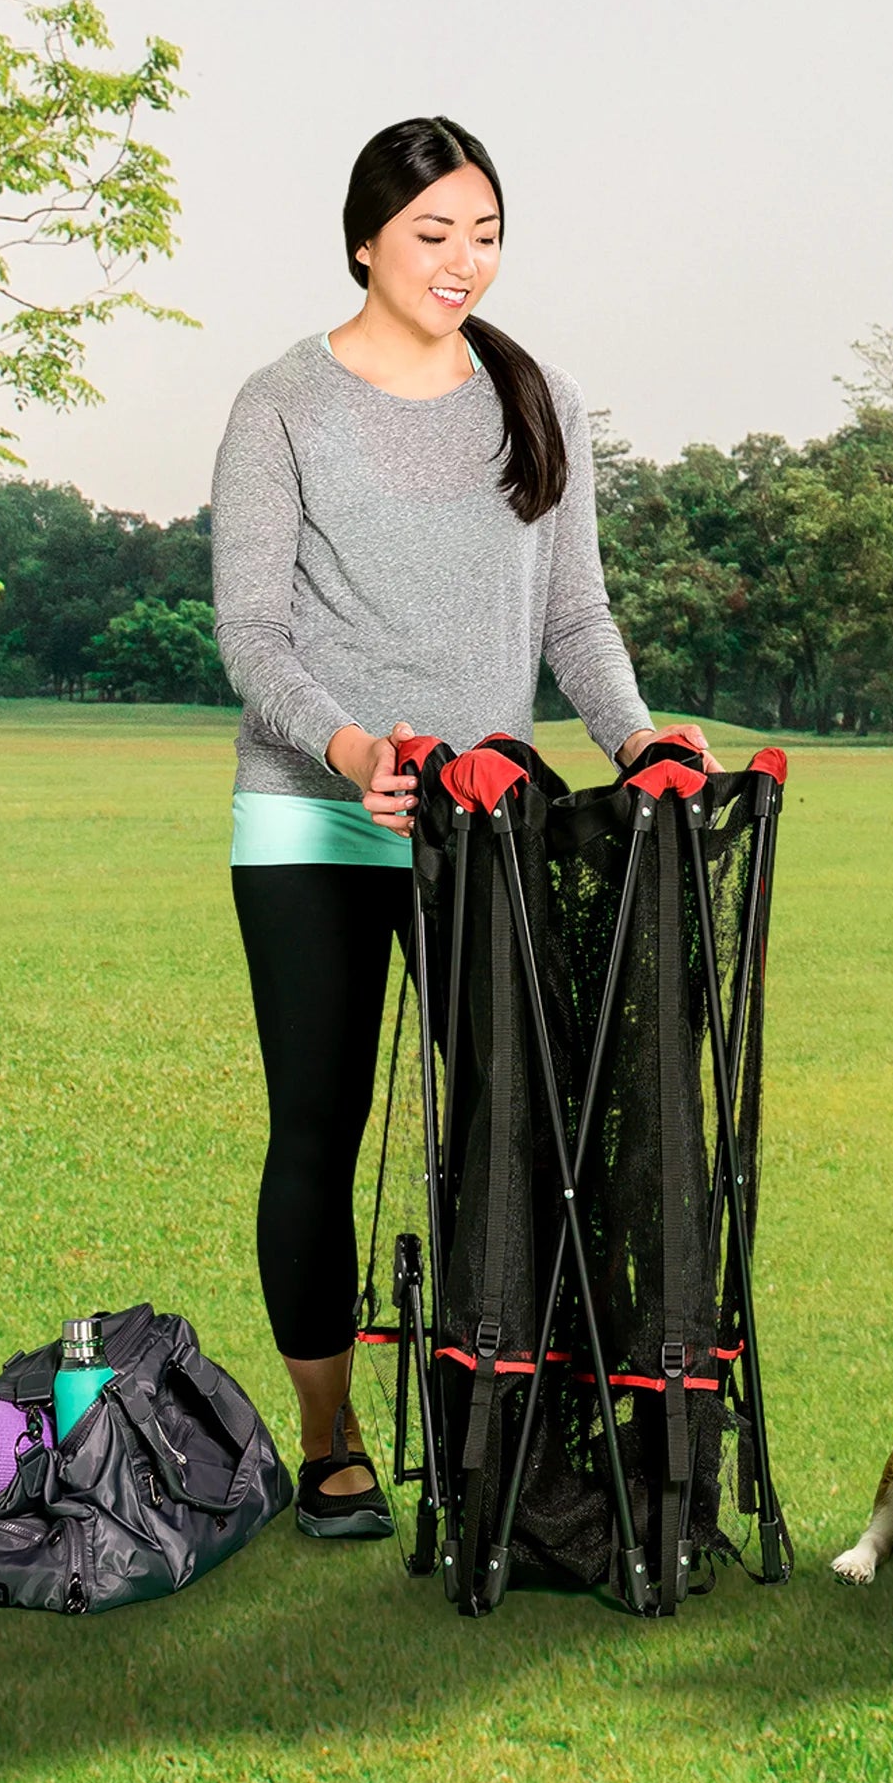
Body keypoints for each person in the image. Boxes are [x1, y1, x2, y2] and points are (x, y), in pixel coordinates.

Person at [210, 114, 711, 1537]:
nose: (462, 262)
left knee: (521, 1119)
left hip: (488, 821)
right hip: (316, 818)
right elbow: (252, 633)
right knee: (320, 1122)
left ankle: (521, 1420)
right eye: (434, 234)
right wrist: (355, 746)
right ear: (365, 237)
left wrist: (634, 733)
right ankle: (331, 1440)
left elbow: (576, 614)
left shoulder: (532, 392)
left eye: (485, 235)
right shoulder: (282, 404)